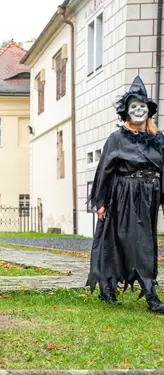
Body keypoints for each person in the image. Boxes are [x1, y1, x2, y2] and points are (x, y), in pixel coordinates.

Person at [87, 76, 164, 314]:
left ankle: (107, 290)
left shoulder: (157, 139)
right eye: (134, 107)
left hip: (149, 196)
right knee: (133, 243)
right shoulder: (117, 138)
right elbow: (104, 170)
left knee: (136, 241)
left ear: (148, 111)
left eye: (142, 107)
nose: (138, 111)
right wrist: (100, 202)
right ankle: (150, 295)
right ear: (127, 111)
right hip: (124, 195)